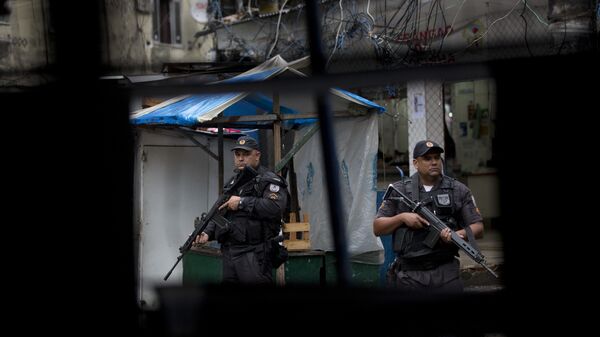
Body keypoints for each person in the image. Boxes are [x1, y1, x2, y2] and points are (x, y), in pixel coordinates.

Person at [373, 140, 484, 292]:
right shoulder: (400, 190)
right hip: (410, 274)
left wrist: (457, 235)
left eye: (437, 158)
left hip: (446, 271)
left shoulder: (458, 190)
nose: (434, 162)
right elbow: (377, 227)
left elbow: (478, 227)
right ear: (415, 163)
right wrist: (402, 218)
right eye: (427, 158)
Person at [194, 135, 289, 284]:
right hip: (230, 253)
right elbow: (220, 211)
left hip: (254, 254)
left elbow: (275, 208)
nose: (241, 158)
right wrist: (207, 233)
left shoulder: (268, 180)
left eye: (246, 154)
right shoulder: (233, 182)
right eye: (237, 154)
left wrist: (242, 202)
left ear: (257, 155)